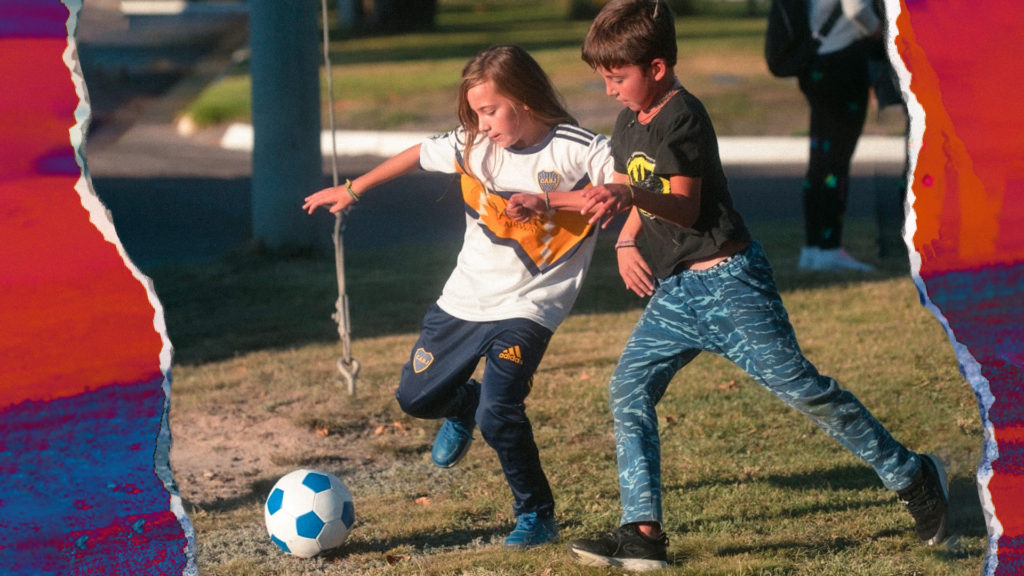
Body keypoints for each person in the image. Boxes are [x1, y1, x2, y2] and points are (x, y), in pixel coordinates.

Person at [507, 1, 950, 570]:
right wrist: (553, 203)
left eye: (618, 78)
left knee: (803, 389)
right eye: (605, 79)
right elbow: (622, 185)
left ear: (658, 68)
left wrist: (632, 200)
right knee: (628, 388)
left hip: (731, 283)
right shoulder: (629, 121)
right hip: (677, 294)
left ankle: (914, 476)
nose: (611, 90)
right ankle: (642, 532)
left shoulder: (683, 117)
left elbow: (685, 207)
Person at [303, 44, 614, 550]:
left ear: (524, 97)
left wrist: (549, 200)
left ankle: (536, 515)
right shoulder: (474, 145)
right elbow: (418, 154)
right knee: (414, 397)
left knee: (501, 412)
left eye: (489, 110)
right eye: (474, 114)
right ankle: (461, 405)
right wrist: (353, 189)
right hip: (464, 300)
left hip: (531, 308)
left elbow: (617, 191)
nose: (483, 124)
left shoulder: (579, 147)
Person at [796, 0, 884, 272]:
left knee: (820, 162)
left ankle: (813, 248)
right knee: (837, 163)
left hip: (818, 61)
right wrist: (880, 31)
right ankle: (830, 248)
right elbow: (855, 8)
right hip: (844, 63)